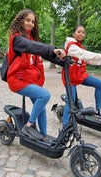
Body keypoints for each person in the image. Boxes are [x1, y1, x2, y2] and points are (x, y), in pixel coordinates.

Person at [7, 9, 66, 140]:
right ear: (20, 20)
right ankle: (29, 126)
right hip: (18, 80)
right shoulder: (17, 39)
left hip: (30, 79)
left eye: (33, 22)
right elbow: (30, 46)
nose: (31, 24)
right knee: (44, 95)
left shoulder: (32, 39)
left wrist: (63, 62)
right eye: (27, 20)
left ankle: (43, 136)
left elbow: (42, 52)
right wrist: (53, 49)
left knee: (41, 109)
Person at [61, 25, 101, 126]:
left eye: (83, 32)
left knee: (99, 84)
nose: (81, 34)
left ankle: (98, 109)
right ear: (73, 33)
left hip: (80, 75)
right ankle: (65, 126)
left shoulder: (80, 46)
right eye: (79, 32)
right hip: (70, 77)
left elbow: (89, 60)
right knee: (71, 103)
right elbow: (84, 54)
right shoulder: (71, 46)